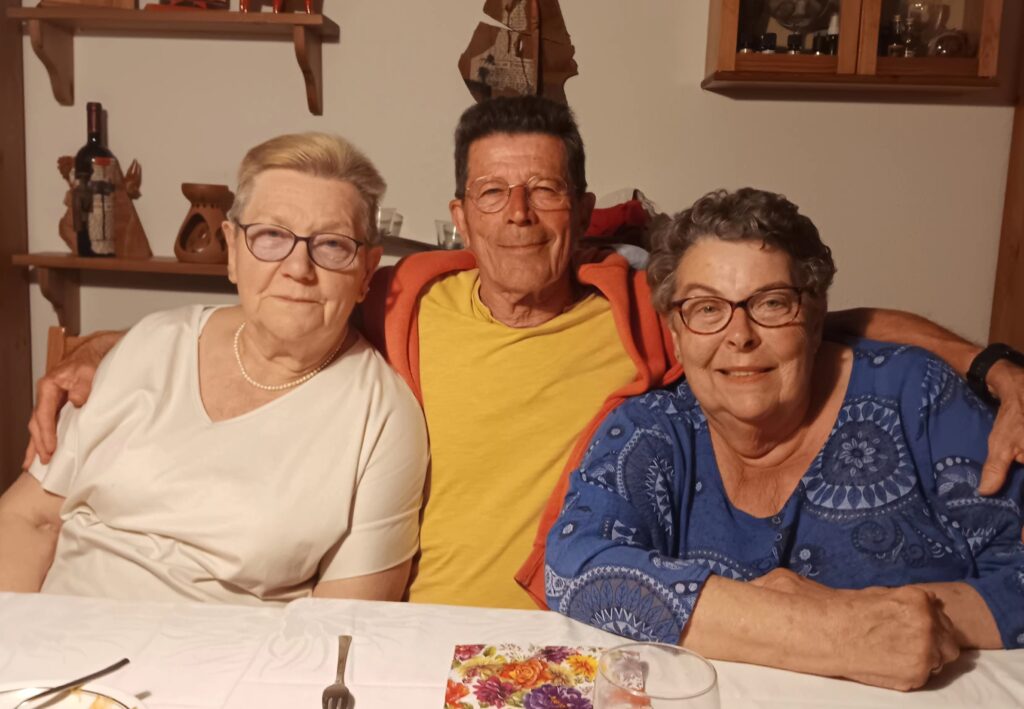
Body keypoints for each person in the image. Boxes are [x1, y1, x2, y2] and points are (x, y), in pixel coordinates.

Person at [23, 97, 1024, 610]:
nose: (518, 215)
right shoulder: (397, 297)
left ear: (580, 211)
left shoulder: (645, 316)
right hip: (400, 617)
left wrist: (989, 365)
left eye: (543, 191)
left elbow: (813, 318)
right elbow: (282, 301)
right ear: (458, 213)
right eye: (492, 192)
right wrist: (113, 348)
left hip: (564, 620)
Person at [545, 188, 1024, 691]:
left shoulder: (916, 395)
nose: (740, 335)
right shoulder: (653, 429)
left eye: (771, 303)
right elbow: (576, 567)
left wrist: (918, 623)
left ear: (815, 320)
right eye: (706, 308)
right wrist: (831, 629)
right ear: (677, 336)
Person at [0, 133, 429, 605]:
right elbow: (29, 520)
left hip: (222, 653)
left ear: (366, 272)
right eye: (271, 236)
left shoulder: (381, 418)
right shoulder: (149, 344)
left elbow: (344, 621)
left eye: (331, 245)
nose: (298, 268)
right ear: (232, 250)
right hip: (55, 637)